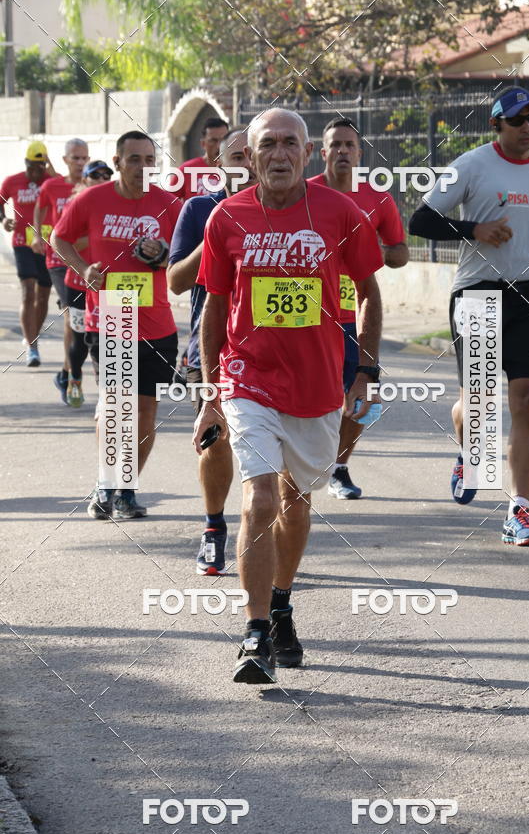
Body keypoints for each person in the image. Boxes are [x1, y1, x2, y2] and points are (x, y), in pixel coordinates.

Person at [192, 108, 383, 684]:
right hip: (247, 378)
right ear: (248, 157)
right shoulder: (227, 218)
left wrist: (364, 373)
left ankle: (280, 601)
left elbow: (371, 293)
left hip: (318, 385)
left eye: (290, 144)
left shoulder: (340, 212)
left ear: (308, 154)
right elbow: (215, 306)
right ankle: (253, 634)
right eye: (267, 144)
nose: (279, 154)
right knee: (261, 501)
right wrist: (210, 391)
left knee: (297, 502)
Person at [409, 86, 529, 546]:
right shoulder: (469, 165)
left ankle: (520, 510)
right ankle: (468, 449)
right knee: (479, 404)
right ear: (496, 125)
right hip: (479, 292)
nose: (528, 128)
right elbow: (419, 222)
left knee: (527, 400)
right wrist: (474, 229)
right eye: (518, 120)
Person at [53, 131, 182, 519]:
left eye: (149, 159)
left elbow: (186, 260)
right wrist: (84, 269)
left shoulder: (168, 205)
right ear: (118, 161)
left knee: (144, 412)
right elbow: (59, 239)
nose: (143, 167)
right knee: (115, 406)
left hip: (158, 323)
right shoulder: (92, 199)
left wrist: (161, 258)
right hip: (113, 315)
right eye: (134, 160)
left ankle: (126, 490)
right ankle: (105, 483)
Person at [168, 128, 255, 575]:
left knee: (271, 457)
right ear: (218, 166)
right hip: (214, 347)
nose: (247, 161)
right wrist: (214, 231)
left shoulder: (289, 211)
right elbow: (176, 281)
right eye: (236, 155)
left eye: (251, 153)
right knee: (215, 442)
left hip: (275, 353)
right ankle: (214, 527)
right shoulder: (199, 208)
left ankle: (260, 539)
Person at [308, 117, 408, 500]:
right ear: (323, 152)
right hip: (309, 313)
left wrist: (369, 252)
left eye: (350, 145)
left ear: (360, 153)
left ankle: (340, 467)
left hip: (357, 311)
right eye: (335, 145)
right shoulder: (304, 193)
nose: (343, 151)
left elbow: (400, 251)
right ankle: (304, 464)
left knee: (368, 400)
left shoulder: (377, 198)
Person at [34, 138, 89, 402]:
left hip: (90, 263)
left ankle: (68, 369)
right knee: (70, 314)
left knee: (90, 320)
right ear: (65, 160)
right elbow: (39, 207)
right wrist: (36, 234)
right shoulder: (52, 185)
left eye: (84, 158)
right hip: (59, 259)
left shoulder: (93, 188)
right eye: (75, 158)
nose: (80, 163)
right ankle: (70, 375)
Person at [61, 159, 115, 407]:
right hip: (79, 280)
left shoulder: (115, 205)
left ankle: (111, 395)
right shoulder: (78, 204)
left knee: (112, 336)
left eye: (106, 176)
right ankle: (74, 377)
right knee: (82, 338)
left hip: (109, 282)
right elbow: (66, 242)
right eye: (96, 176)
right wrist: (98, 237)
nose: (102, 180)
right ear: (84, 180)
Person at [0, 141, 55, 366]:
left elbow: (68, 187)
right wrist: (4, 219)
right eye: (31, 167)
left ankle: (34, 335)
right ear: (25, 163)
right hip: (22, 243)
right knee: (28, 292)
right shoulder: (12, 181)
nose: (35, 172)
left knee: (43, 295)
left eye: (39, 167)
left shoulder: (51, 181)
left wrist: (50, 170)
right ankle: (32, 347)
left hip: (45, 243)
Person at [171, 117, 229, 201]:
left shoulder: (236, 170)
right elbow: (167, 203)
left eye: (223, 140)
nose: (219, 146)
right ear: (203, 143)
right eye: (213, 140)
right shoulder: (186, 170)